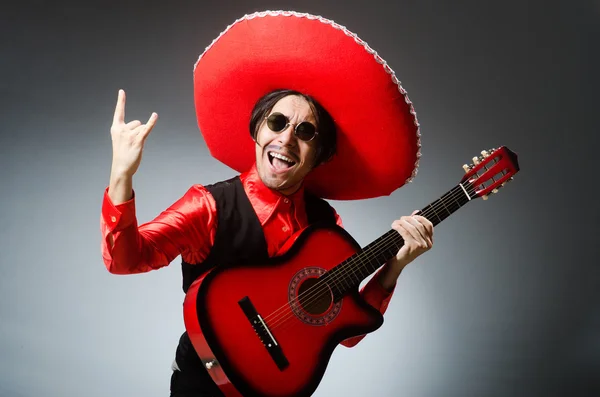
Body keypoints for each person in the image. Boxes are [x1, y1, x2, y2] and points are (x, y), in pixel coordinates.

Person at [100, 11, 434, 397]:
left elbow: (346, 333)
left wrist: (394, 265)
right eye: (277, 123)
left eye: (305, 132)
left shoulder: (325, 226)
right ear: (257, 130)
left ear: (320, 155)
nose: (287, 140)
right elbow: (125, 260)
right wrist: (121, 176)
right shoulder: (208, 206)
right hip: (204, 386)